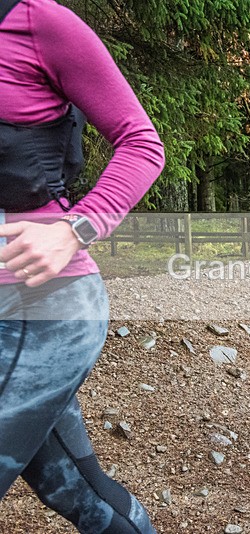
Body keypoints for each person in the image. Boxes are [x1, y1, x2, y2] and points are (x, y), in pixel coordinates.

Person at [0, 1, 164, 532]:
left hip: (46, 306)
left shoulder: (37, 23)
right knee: (78, 492)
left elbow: (142, 144)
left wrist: (75, 229)